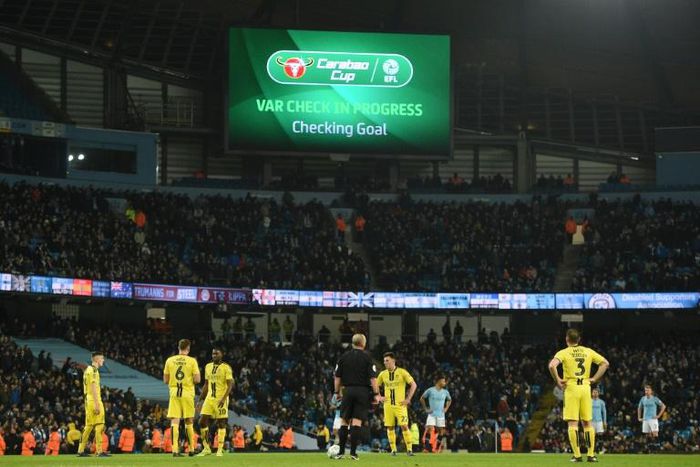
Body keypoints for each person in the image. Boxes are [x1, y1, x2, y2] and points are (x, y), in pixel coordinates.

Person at [548, 329, 609, 463]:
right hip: (585, 387)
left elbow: (552, 366)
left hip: (571, 387)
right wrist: (594, 379)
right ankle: (591, 455)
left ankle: (577, 455)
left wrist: (558, 381)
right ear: (579, 339)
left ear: (567, 339)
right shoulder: (588, 351)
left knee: (573, 423)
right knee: (587, 423)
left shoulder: (563, 352)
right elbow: (605, 363)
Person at [333, 334, 382, 460]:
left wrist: (336, 392)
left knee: (344, 421)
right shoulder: (367, 358)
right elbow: (373, 378)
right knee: (357, 422)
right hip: (362, 391)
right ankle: (353, 453)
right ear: (363, 344)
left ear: (353, 343)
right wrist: (376, 394)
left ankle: (341, 452)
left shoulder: (343, 357)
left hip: (347, 390)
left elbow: (337, 377)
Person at [163, 339, 201, 457]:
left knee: (175, 421)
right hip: (187, 393)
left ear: (178, 347)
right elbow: (197, 380)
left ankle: (174, 450)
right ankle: (191, 449)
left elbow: (165, 380)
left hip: (174, 393)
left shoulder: (170, 360)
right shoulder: (192, 361)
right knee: (189, 420)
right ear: (188, 348)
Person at [377, 352, 417, 456]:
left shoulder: (402, 372)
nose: (385, 363)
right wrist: (379, 397)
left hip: (400, 405)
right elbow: (375, 386)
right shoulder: (382, 374)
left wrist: (408, 398)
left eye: (387, 360)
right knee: (390, 427)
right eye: (384, 361)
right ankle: (393, 450)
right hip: (388, 405)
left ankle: (409, 450)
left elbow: (413, 385)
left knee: (404, 426)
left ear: (393, 361)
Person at [197, 347, 235, 457]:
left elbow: (230, 385)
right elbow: (206, 384)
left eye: (216, 354)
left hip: (220, 398)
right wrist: (200, 399)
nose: (214, 356)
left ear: (221, 354)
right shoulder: (208, 366)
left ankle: (219, 449)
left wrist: (223, 399)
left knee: (221, 423)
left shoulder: (226, 367)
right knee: (202, 422)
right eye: (213, 354)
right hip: (209, 398)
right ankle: (206, 448)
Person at [77, 351, 110, 457]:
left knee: (89, 426)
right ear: (96, 359)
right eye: (102, 358)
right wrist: (96, 403)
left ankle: (81, 450)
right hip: (94, 399)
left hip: (88, 399)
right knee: (100, 424)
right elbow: (93, 387)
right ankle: (99, 451)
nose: (103, 361)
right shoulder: (94, 371)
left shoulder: (88, 370)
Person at [420, 374, 451, 453]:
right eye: (443, 381)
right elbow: (422, 398)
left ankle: (436, 448)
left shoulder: (445, 392)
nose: (445, 383)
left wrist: (446, 408)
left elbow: (449, 400)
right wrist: (426, 409)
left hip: (441, 415)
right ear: (439, 381)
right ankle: (426, 448)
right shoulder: (430, 390)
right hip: (432, 414)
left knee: (441, 431)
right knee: (429, 428)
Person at [638, 384, 666, 453]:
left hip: (652, 419)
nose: (646, 392)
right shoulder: (643, 399)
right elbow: (639, 408)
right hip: (645, 419)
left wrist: (658, 416)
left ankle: (657, 449)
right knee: (647, 434)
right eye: (645, 390)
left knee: (655, 433)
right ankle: (648, 449)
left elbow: (663, 406)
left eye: (648, 390)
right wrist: (639, 417)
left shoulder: (654, 399)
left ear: (651, 391)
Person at [591, 388, 607, 453]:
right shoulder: (589, 401)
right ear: (592, 393)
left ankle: (600, 449)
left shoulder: (601, 402)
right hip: (591, 421)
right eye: (594, 392)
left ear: (598, 393)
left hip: (599, 421)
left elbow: (604, 412)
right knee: (592, 436)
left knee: (600, 435)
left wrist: (604, 421)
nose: (595, 393)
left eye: (596, 392)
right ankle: (593, 450)